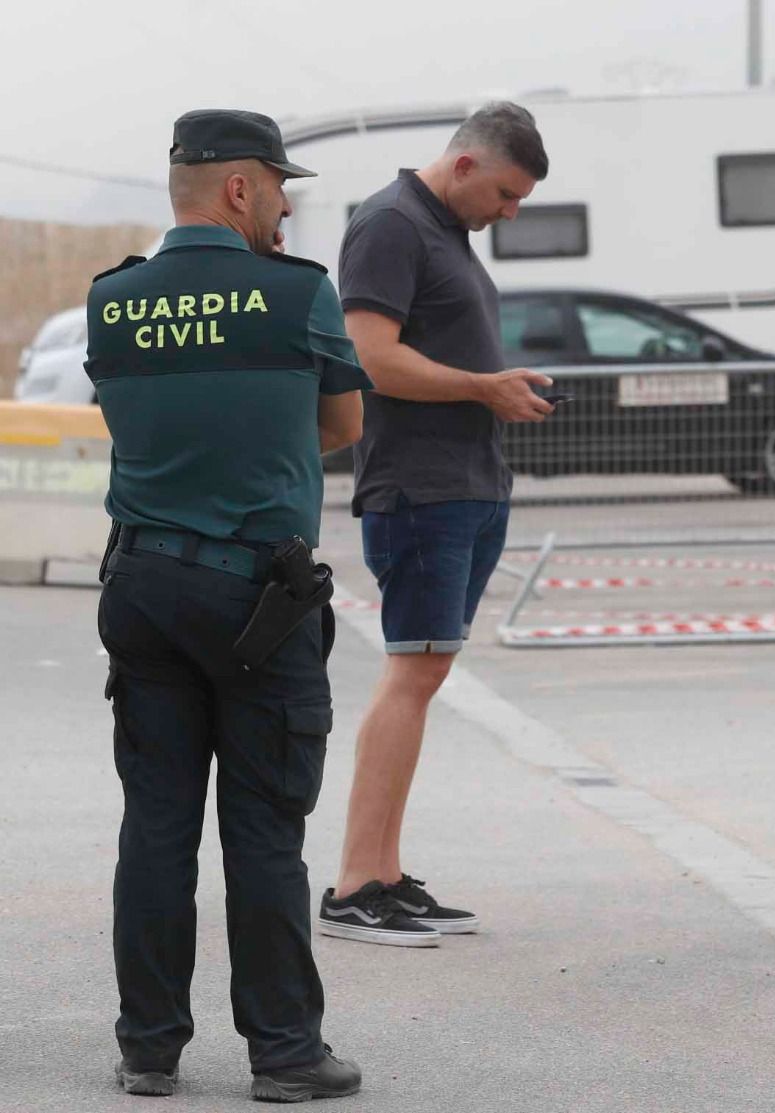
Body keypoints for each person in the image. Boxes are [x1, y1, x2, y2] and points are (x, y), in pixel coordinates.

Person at [88, 109, 370, 1100]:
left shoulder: (110, 301)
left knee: (157, 821)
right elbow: (343, 423)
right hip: (256, 596)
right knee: (261, 826)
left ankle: (149, 1049)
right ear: (241, 189)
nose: (289, 205)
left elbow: (136, 422)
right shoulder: (298, 295)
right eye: (281, 187)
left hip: (141, 586)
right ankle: (286, 1055)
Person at [319, 102, 553, 946]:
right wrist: (483, 387)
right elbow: (370, 359)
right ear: (462, 167)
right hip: (420, 489)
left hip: (466, 483)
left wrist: (495, 391)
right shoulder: (389, 224)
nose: (509, 212)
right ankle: (353, 886)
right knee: (410, 675)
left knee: (423, 674)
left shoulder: (443, 229)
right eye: (505, 192)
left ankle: (382, 872)